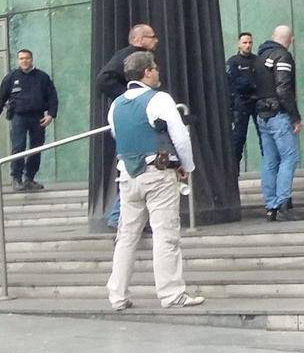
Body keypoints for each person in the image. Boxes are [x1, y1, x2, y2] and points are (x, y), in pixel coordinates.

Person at [105, 51, 205, 310]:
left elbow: (118, 135)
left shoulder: (116, 105)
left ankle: (117, 295)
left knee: (126, 236)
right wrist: (187, 166)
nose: (158, 71)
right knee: (165, 233)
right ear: (146, 72)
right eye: (155, 68)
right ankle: (171, 293)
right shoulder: (159, 99)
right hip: (158, 173)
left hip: (127, 174)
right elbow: (180, 136)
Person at [96, 23, 159, 229]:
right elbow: (104, 79)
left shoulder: (139, 57)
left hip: (136, 119)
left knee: (138, 170)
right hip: (132, 120)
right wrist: (128, 98)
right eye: (151, 37)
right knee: (136, 168)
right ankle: (118, 217)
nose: (155, 40)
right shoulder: (129, 56)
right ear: (139, 39)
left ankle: (129, 218)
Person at [0, 48, 58, 192]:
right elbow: (0, 98)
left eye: (27, 58)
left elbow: (53, 97)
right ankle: (17, 178)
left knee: (36, 148)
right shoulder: (11, 78)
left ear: (32, 59)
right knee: (19, 147)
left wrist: (51, 114)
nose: (24, 61)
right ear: (18, 60)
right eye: (21, 59)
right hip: (18, 117)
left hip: (38, 117)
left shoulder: (42, 77)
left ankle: (29, 179)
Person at [253, 25, 304, 222]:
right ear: (290, 39)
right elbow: (283, 89)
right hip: (278, 114)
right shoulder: (282, 57)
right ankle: (284, 202)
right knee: (289, 157)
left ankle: (271, 205)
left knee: (269, 160)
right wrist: (295, 117)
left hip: (262, 114)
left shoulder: (259, 57)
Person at [226, 32, 257, 166]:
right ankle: (233, 170)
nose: (247, 45)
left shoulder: (257, 60)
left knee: (264, 137)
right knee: (238, 138)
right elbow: (232, 82)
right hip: (240, 104)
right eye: (244, 43)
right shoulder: (233, 62)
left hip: (256, 102)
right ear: (239, 44)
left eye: (250, 42)